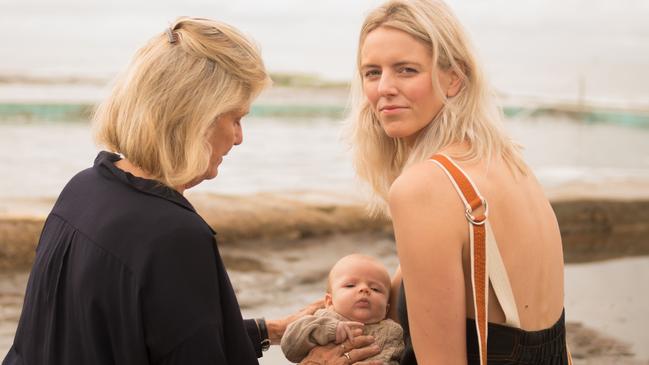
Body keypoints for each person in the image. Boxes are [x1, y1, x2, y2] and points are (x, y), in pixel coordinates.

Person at [3, 17, 381, 365]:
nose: (238, 137)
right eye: (235, 118)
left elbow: (116, 337)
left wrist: (271, 330)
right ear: (194, 117)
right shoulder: (173, 234)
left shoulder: (84, 188)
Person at [348, 1, 572, 364]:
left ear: (455, 79)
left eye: (406, 70)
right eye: (372, 73)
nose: (384, 88)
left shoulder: (424, 188)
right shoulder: (509, 162)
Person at [281, 254, 404, 364]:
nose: (364, 289)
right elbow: (290, 347)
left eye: (375, 289)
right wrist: (328, 330)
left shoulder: (393, 331)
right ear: (329, 302)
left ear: (387, 309)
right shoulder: (321, 319)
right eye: (350, 285)